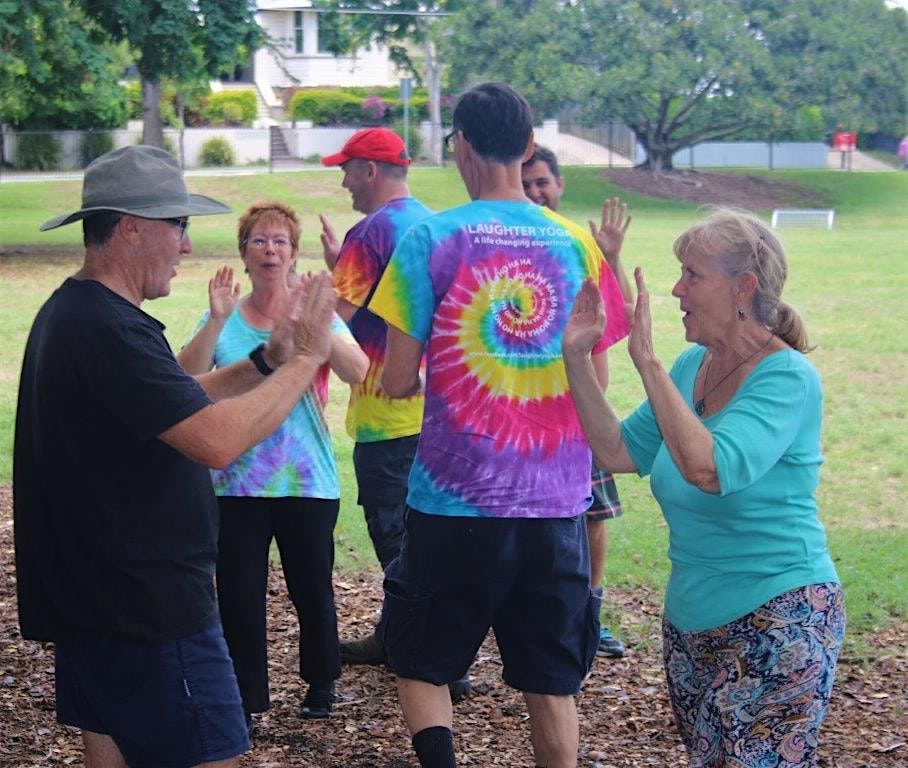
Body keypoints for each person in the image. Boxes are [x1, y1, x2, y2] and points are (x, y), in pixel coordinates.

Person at [13, 145, 338, 768]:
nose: (186, 247)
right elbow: (215, 439)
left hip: (97, 605)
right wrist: (305, 361)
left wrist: (269, 358)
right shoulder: (109, 330)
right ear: (132, 229)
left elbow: (176, 404)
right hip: (148, 614)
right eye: (179, 226)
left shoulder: (78, 313)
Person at [368, 82, 630, 768]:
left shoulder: (431, 238)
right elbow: (598, 383)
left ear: (461, 145)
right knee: (551, 679)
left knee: (421, 660)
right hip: (556, 504)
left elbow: (396, 382)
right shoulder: (579, 245)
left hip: (454, 501)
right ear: (528, 147)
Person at [561, 208, 845, 766]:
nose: (675, 289)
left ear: (743, 287)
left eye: (692, 275)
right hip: (692, 622)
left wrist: (646, 361)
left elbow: (709, 468)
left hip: (781, 613)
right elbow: (616, 451)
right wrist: (575, 355)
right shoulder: (694, 365)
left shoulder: (787, 378)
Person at [177, 201, 368, 727]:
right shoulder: (223, 317)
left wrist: (316, 325)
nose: (270, 250)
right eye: (259, 240)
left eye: (280, 241)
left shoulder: (315, 312)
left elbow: (357, 370)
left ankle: (322, 682)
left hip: (306, 480)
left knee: (313, 588)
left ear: (293, 253)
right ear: (243, 253)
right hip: (235, 479)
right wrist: (215, 320)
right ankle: (247, 695)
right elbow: (183, 381)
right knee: (239, 595)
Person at [317, 129, 435, 664]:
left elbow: (331, 321)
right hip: (439, 413)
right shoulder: (434, 224)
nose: (344, 181)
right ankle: (395, 639)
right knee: (428, 536)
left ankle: (429, 660)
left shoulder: (372, 231)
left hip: (387, 414)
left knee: (396, 540)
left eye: (347, 169)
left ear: (370, 171)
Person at [521, 144, 631, 659]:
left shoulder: (579, 247)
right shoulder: (511, 248)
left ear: (560, 186)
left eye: (543, 182)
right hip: (527, 414)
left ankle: (591, 610)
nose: (535, 192)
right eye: (525, 184)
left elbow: (617, 320)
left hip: (580, 411)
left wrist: (610, 256)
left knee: (593, 515)